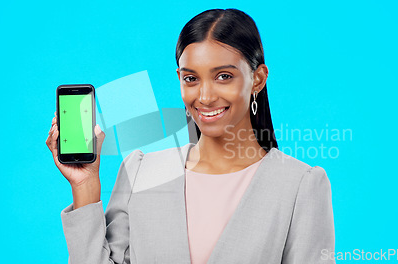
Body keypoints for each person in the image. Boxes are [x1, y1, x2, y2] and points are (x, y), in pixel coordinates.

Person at [46, 8, 335, 264]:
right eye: (191, 78)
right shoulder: (140, 171)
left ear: (257, 78)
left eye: (224, 76)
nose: (205, 97)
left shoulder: (301, 185)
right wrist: (84, 186)